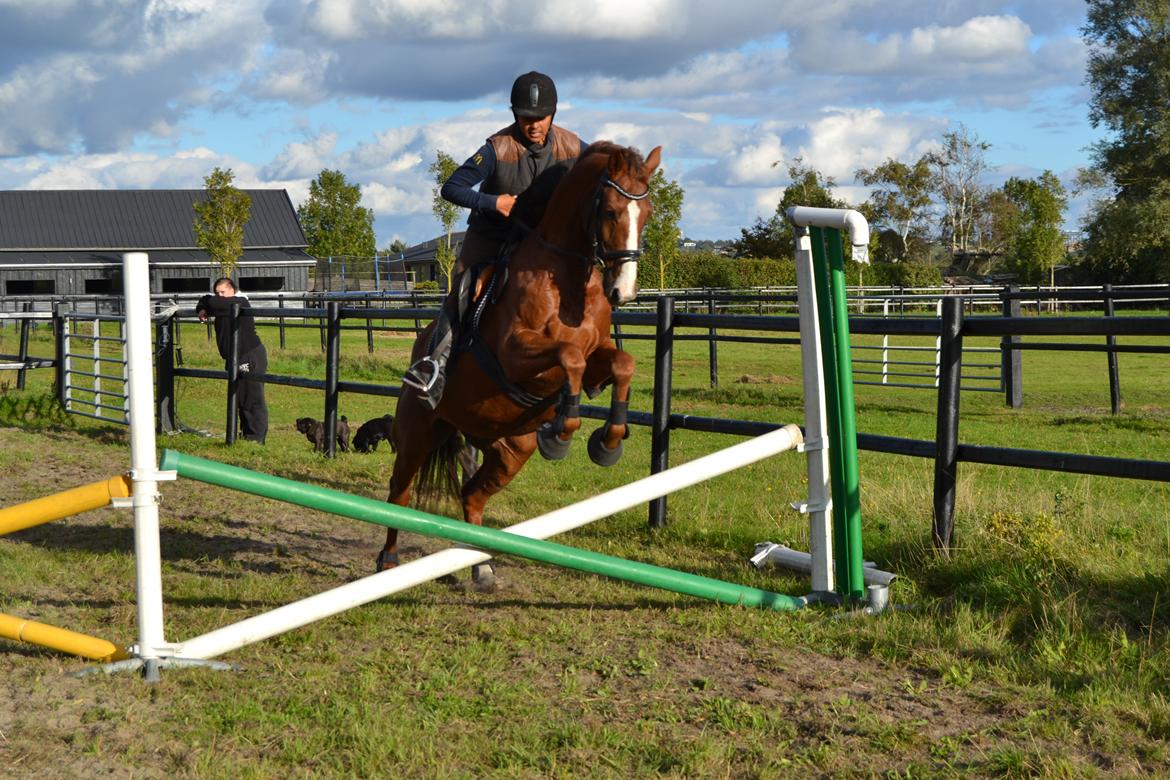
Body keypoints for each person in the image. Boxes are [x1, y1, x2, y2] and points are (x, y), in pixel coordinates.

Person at [403, 71, 589, 408]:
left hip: (538, 244)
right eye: (526, 118)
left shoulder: (573, 146)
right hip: (491, 237)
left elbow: (602, 171)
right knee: (463, 290)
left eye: (541, 118)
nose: (534, 125)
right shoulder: (496, 148)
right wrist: (493, 202)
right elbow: (452, 188)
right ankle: (434, 367)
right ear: (515, 115)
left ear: (553, 114)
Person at [197, 276, 269, 444]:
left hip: (248, 354)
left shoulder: (240, 302)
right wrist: (202, 308)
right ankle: (246, 436)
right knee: (240, 398)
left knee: (252, 398)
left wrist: (205, 305)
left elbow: (212, 303)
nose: (219, 295)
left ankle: (256, 439)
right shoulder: (225, 304)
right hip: (233, 356)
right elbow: (206, 301)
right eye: (217, 292)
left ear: (232, 290)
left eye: (223, 292)